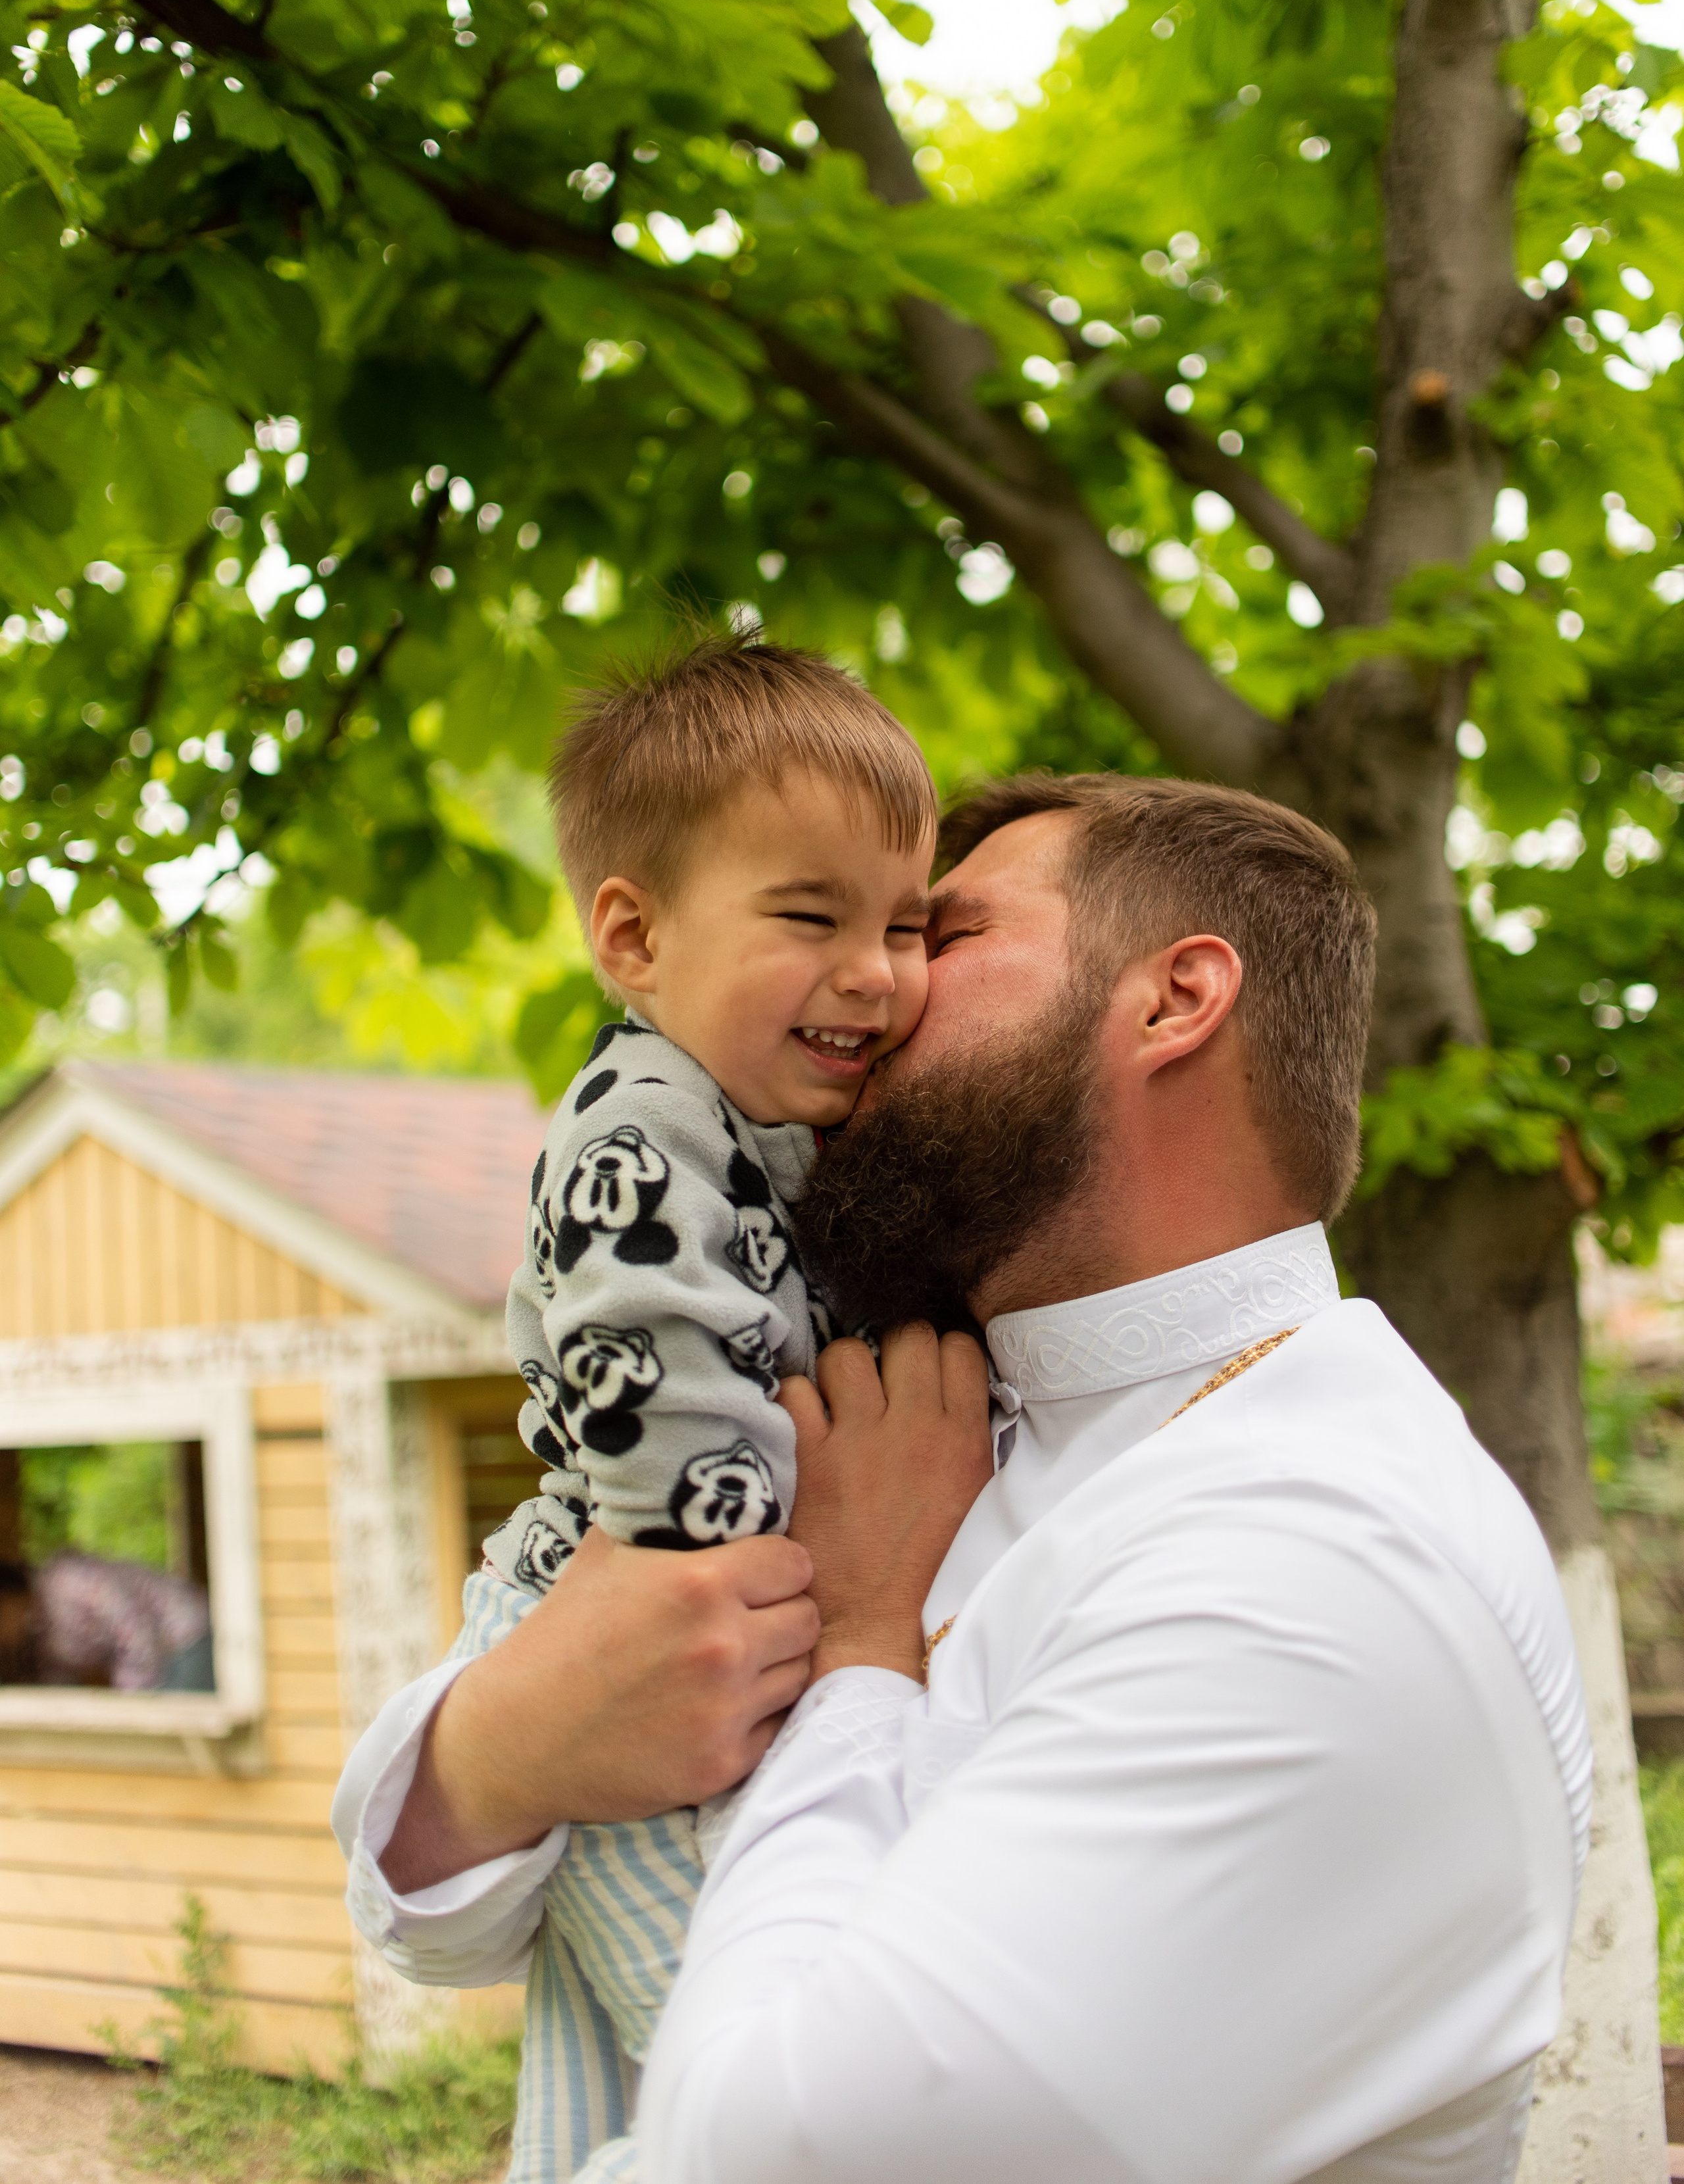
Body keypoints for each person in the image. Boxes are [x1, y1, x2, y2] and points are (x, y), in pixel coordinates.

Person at [335, 774, 1591, 2184]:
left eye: (944, 933)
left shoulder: (1318, 1560)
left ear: (1173, 1000)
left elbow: (777, 2156)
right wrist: (502, 1747)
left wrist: (863, 1651)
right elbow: (432, 1922)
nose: (874, 994)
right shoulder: (910, 1411)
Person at [384, 632, 936, 2170]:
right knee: (728, 2060)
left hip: (690, 1611)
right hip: (634, 1590)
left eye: (903, 921)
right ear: (630, 934)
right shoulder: (641, 1126)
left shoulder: (764, 1123)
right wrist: (788, 1548)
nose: (873, 969)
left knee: (625, 2074)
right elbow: (649, 1363)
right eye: (809, 914)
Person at [0, 1551, 212, 1690]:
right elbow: (61, 1685)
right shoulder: (41, 1638)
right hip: (150, 1668)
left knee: (178, 1726)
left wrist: (132, 1698)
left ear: (10, 1597)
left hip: (183, 1634)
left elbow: (134, 1629)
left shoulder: (67, 1581)